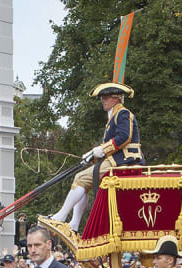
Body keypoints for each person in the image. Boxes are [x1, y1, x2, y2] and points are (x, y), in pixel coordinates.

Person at [50, 82, 144, 232]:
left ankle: (62, 217)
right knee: (81, 180)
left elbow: (124, 137)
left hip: (125, 161)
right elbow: (109, 146)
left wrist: (101, 149)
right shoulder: (113, 116)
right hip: (117, 160)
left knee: (81, 179)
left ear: (116, 98)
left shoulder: (123, 113)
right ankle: (73, 223)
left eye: (106, 97)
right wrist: (92, 156)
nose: (103, 100)